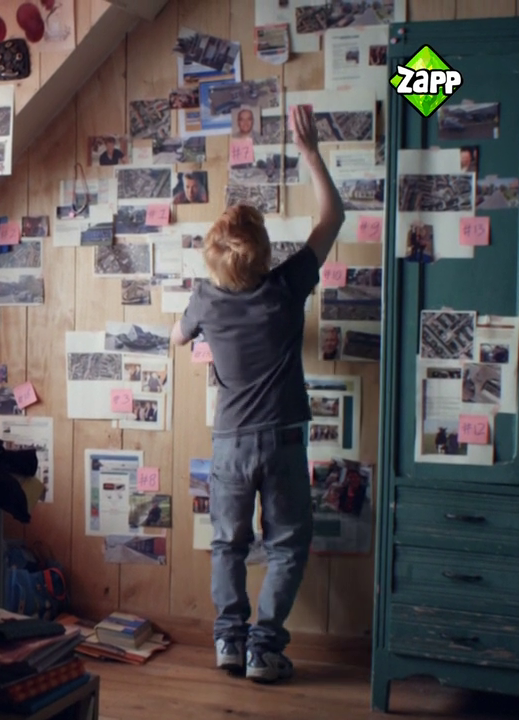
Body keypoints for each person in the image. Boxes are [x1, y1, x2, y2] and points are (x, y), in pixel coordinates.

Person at [169, 104, 344, 684]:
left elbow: (177, 337)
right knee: (287, 544)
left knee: (228, 543)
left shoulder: (205, 300)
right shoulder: (287, 286)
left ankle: (229, 639)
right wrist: (310, 153)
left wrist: (196, 339)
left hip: (230, 443)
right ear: (266, 253)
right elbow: (333, 217)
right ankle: (263, 648)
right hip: (283, 439)